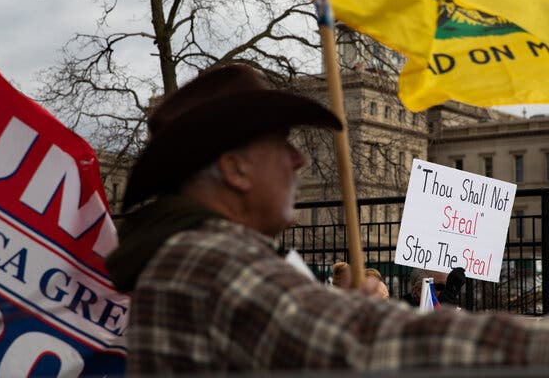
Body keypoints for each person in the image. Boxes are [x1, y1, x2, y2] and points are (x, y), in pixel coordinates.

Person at [106, 64, 549, 374]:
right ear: (235, 168)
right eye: (281, 143)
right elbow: (364, 346)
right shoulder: (207, 262)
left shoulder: (190, 256)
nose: (299, 160)